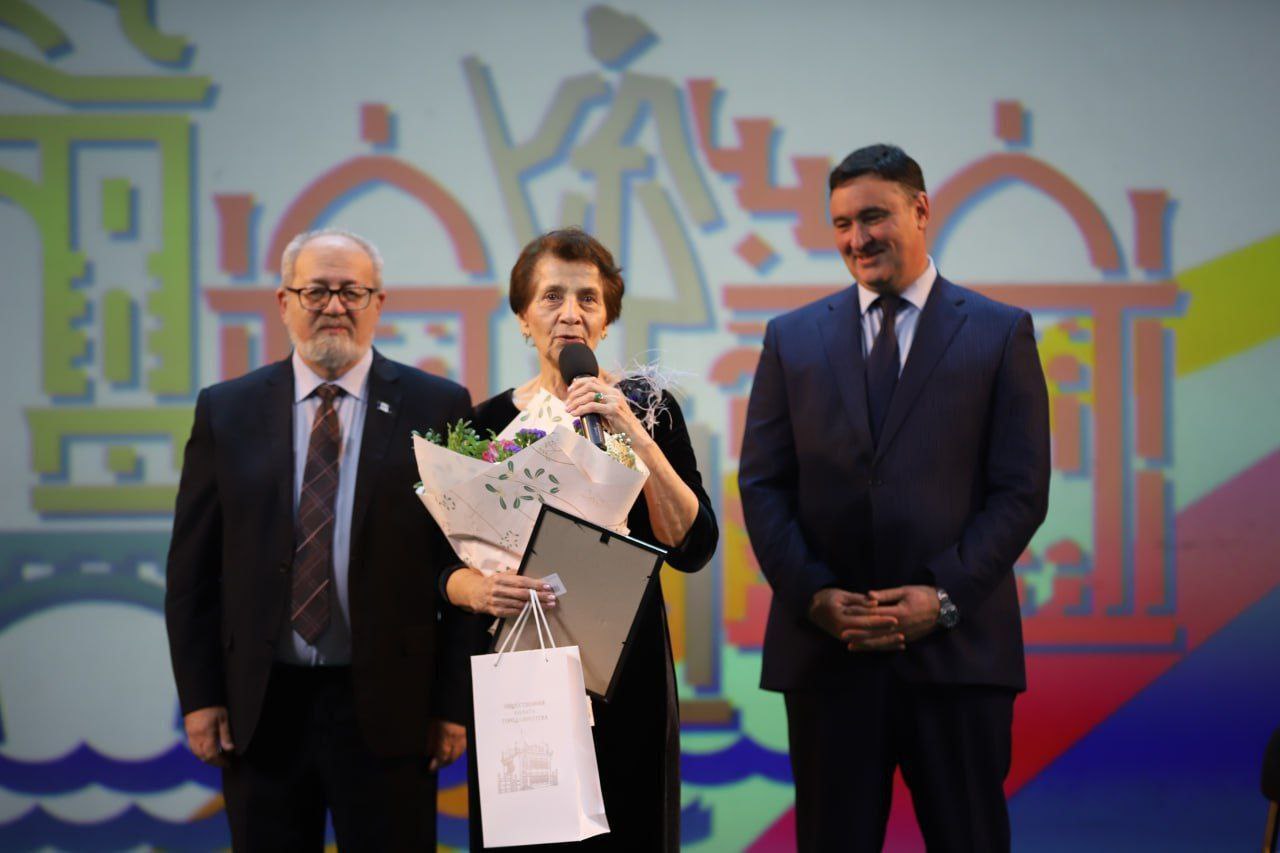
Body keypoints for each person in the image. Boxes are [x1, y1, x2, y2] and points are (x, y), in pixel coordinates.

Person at [738, 144, 1050, 852]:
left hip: (958, 653)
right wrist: (816, 596)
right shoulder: (792, 338)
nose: (857, 239)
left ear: (921, 209)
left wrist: (942, 598)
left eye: (874, 216)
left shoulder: (1000, 332)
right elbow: (762, 485)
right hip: (828, 654)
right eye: (842, 224)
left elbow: (1021, 490)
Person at [164, 229, 473, 850]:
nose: (334, 306)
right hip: (262, 704)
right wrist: (200, 699)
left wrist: (452, 704)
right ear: (284, 302)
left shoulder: (436, 407)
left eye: (352, 292)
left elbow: (462, 563)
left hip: (391, 705)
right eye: (316, 291)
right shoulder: (227, 411)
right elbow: (192, 572)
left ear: (379, 303)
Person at [444, 227, 719, 850]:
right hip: (521, 671)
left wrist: (629, 427)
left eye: (588, 299)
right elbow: (444, 567)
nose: (570, 313)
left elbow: (694, 546)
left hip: (626, 670)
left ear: (606, 319)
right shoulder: (486, 424)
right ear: (523, 318)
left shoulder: (647, 408)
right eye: (552, 297)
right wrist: (481, 589)